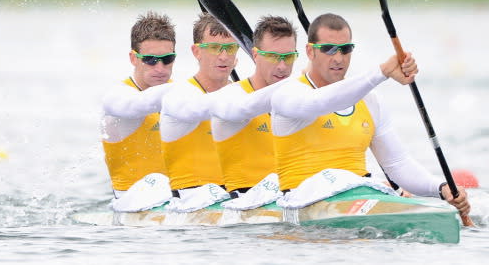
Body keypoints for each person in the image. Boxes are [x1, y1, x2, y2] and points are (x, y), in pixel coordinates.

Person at [270, 13, 470, 217]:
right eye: (329, 49)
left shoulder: (369, 100)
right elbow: (320, 102)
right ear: (310, 52)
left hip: (356, 198)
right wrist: (382, 72)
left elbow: (398, 165)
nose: (339, 58)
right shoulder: (287, 94)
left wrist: (442, 188)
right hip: (303, 203)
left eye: (346, 49)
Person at [209, 16, 298, 198]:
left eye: (288, 57)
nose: (282, 66)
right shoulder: (231, 95)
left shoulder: (296, 98)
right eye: (273, 57)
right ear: (255, 55)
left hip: (289, 198)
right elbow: (245, 107)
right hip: (246, 206)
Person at [159, 12, 238, 200]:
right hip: (190, 204)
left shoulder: (245, 94)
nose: (224, 56)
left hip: (235, 196)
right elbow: (212, 106)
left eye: (230, 47)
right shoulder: (180, 94)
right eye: (214, 48)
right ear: (196, 52)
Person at [100, 12, 177, 198]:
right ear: (133, 58)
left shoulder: (179, 93)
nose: (160, 68)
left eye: (167, 59)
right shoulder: (118, 97)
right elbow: (140, 104)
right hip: (133, 204)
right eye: (150, 60)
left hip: (177, 198)